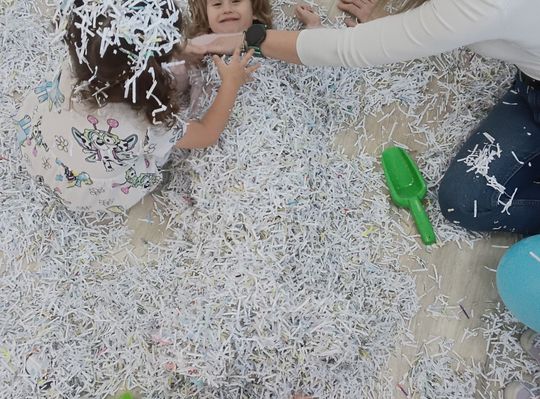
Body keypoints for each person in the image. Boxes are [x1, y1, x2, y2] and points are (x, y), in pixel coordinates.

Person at [196, 0, 540, 235]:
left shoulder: (485, 6)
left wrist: (249, 38)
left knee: (469, 205)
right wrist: (398, 22)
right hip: (528, 78)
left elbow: (348, 49)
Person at [15, 0, 258, 213]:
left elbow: (118, 52)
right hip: (86, 191)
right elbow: (207, 133)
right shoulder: (148, 122)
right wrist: (231, 83)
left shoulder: (79, 65)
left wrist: (171, 47)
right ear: (152, 69)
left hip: (39, 147)